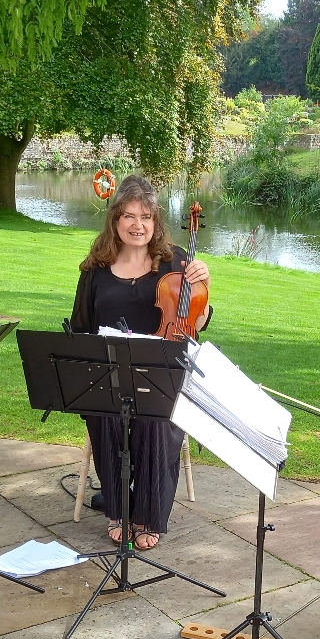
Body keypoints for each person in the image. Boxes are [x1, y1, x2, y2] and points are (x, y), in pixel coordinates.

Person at [70, 175, 212, 550]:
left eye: (146, 217)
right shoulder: (95, 269)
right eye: (129, 216)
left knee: (154, 422)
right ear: (115, 220)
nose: (138, 225)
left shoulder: (176, 261)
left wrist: (203, 290)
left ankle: (148, 515)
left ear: (156, 221)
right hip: (111, 372)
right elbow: (81, 327)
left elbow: (195, 325)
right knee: (105, 415)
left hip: (162, 370)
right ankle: (118, 508)